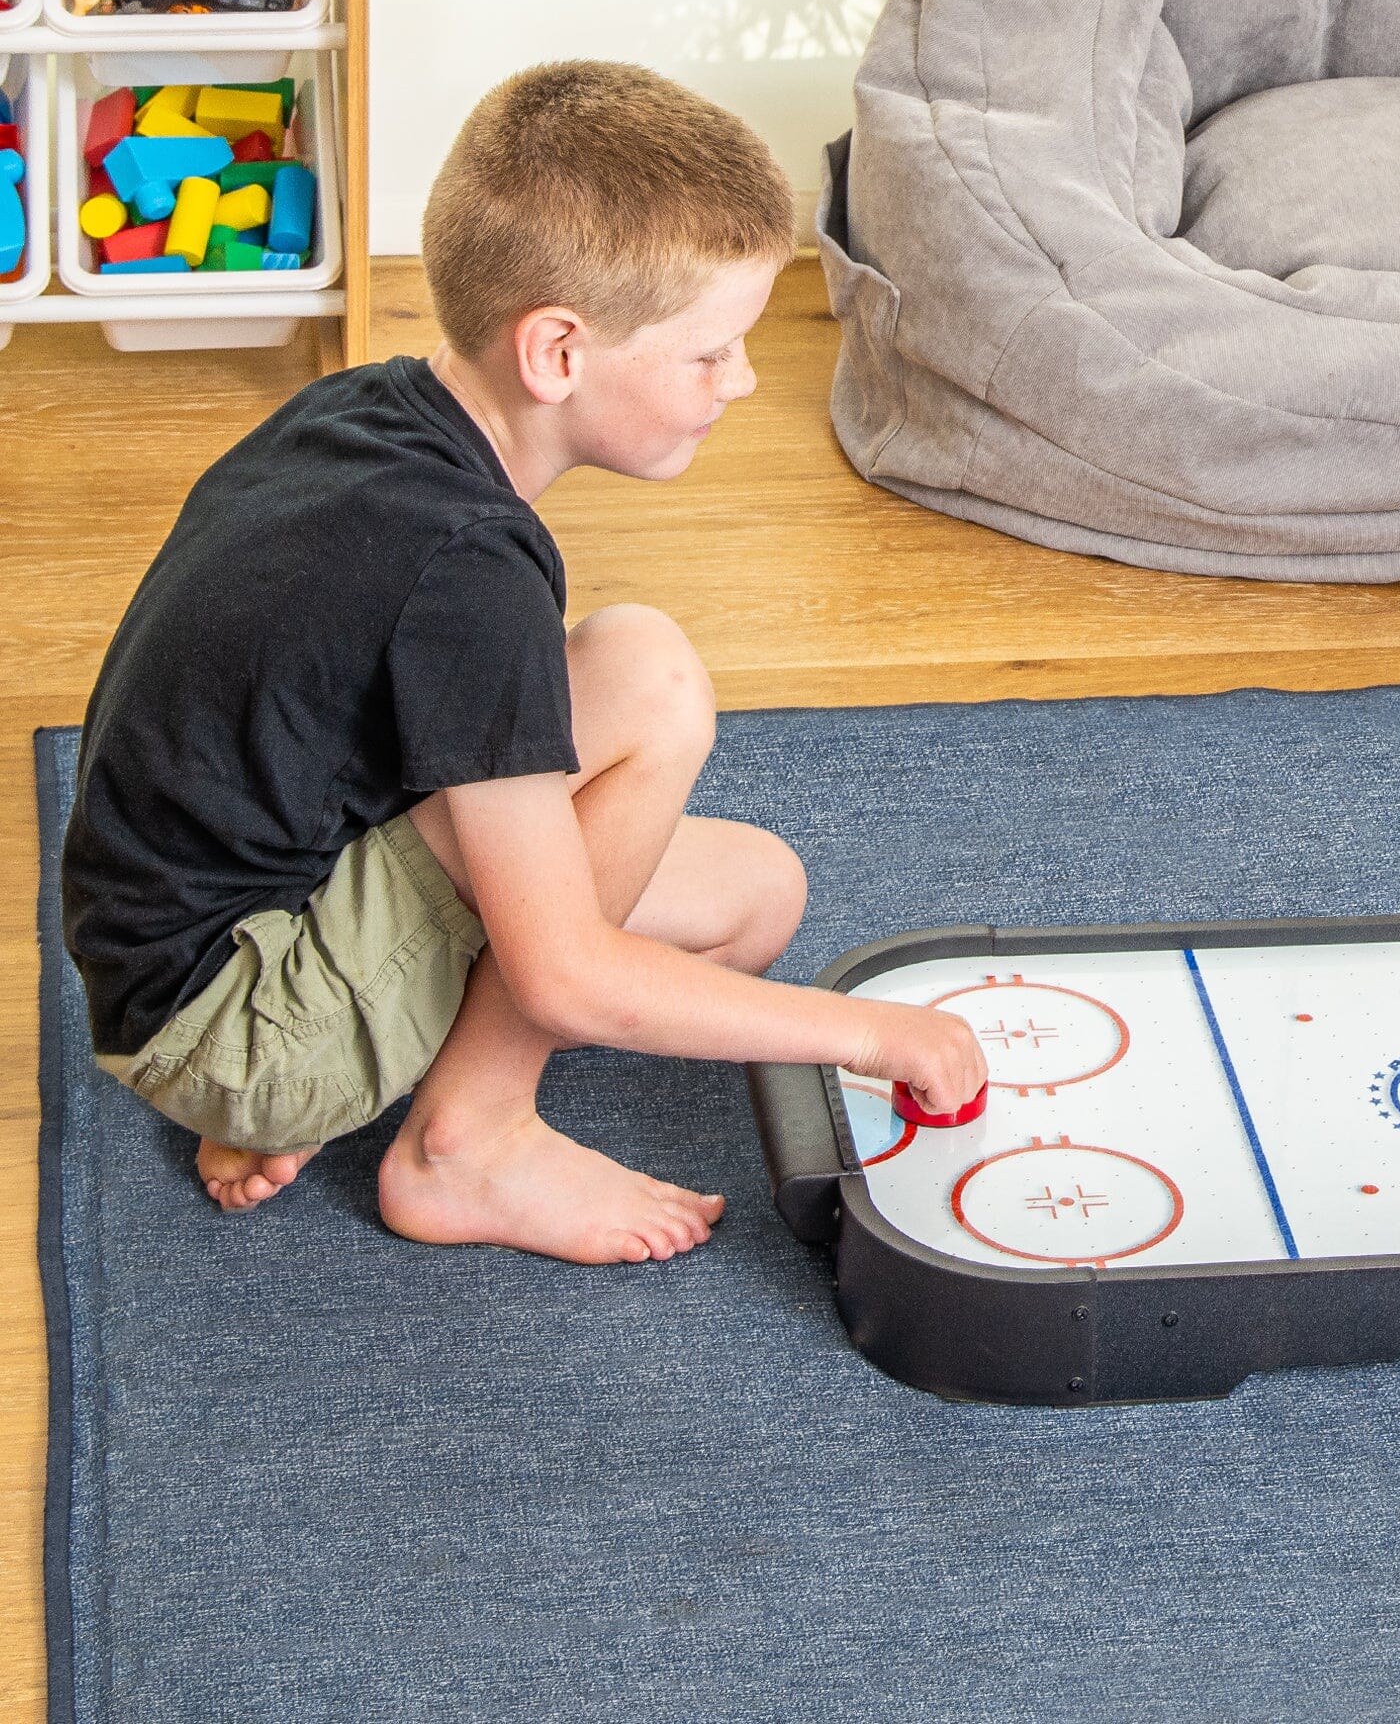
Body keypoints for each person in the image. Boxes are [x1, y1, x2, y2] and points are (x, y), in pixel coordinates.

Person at [60, 61, 986, 1264]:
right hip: (230, 1019)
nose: (744, 381)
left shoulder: (368, 412)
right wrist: (867, 1037)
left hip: (196, 952)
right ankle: (466, 1143)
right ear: (556, 351)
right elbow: (561, 982)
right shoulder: (470, 571)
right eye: (711, 354)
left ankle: (333, 1084)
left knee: (757, 897)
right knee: (643, 673)